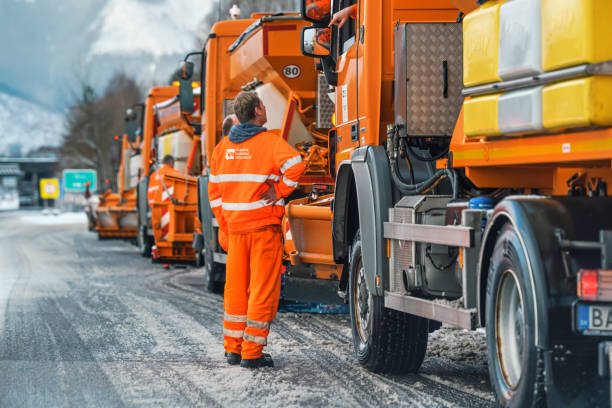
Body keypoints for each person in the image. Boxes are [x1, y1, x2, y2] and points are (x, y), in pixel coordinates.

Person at [208, 91, 306, 369]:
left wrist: (226, 224)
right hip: (263, 228)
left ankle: (233, 349)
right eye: (263, 105)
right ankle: (252, 352)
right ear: (258, 111)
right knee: (262, 290)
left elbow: (214, 194)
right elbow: (297, 165)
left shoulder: (222, 148)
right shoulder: (270, 143)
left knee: (235, 289)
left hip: (236, 230)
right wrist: (280, 190)